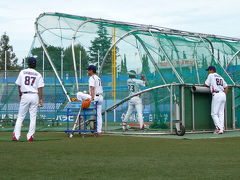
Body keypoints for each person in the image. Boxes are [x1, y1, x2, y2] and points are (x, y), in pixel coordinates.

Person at [13, 57, 44, 141]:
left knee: (20, 117)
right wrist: (40, 99)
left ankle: (16, 136)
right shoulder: (38, 74)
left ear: (28, 63)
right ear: (35, 64)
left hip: (25, 95)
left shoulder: (22, 72)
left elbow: (19, 85)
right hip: (34, 95)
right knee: (33, 117)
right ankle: (30, 136)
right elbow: (40, 88)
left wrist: (20, 95)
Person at [204, 66, 228, 134]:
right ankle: (221, 129)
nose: (208, 72)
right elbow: (226, 87)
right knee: (221, 113)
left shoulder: (211, 75)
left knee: (213, 114)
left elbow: (206, 84)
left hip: (217, 94)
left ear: (211, 70)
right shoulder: (220, 76)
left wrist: (203, 86)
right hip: (223, 94)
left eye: (208, 70)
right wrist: (223, 95)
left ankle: (219, 128)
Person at [87, 65, 103, 136]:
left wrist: (92, 98)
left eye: (88, 70)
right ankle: (99, 131)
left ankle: (91, 126)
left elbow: (92, 88)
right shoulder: (98, 78)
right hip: (100, 97)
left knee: (79, 95)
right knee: (99, 115)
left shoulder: (92, 77)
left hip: (95, 97)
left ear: (91, 71)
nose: (87, 71)